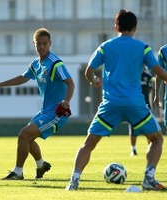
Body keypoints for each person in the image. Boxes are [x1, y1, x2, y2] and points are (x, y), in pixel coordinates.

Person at [65, 9, 167, 191]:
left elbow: (89, 70)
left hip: (110, 104)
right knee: (157, 139)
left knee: (88, 144)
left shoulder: (106, 46)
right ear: (135, 28)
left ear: (116, 27)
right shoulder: (143, 47)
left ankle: (74, 181)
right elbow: (159, 72)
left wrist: (94, 80)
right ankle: (149, 178)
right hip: (135, 103)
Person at [0, 28, 74, 180]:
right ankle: (41, 165)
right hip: (45, 111)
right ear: (33, 44)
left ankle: (18, 172)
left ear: (50, 44)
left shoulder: (55, 63)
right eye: (38, 43)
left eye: (44, 43)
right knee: (26, 137)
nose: (41, 46)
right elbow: (23, 78)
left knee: (23, 135)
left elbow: (70, 83)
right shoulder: (36, 64)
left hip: (57, 113)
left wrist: (66, 101)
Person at [129, 69, 153, 156]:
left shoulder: (148, 76)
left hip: (145, 105)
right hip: (133, 105)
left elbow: (149, 88)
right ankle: (133, 149)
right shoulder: (131, 74)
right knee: (133, 128)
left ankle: (150, 148)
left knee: (149, 128)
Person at [154, 44, 167, 132]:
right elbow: (159, 74)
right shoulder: (163, 50)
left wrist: (157, 95)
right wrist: (157, 94)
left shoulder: (164, 50)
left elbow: (159, 74)